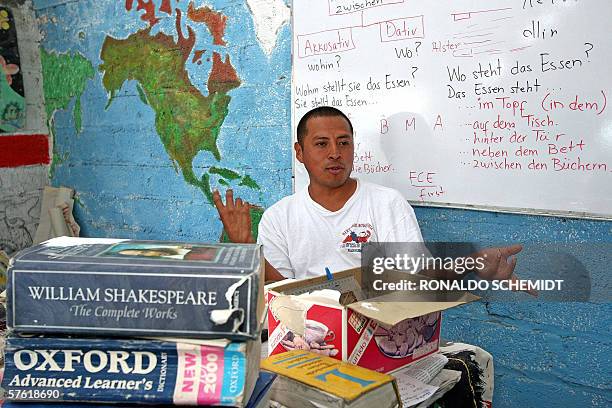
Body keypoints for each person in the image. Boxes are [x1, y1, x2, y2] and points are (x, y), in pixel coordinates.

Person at [213, 106, 531, 293]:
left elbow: (415, 278)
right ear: (300, 152)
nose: (335, 153)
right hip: (308, 336)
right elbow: (282, 295)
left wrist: (474, 266)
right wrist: (247, 249)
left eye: (343, 143)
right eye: (321, 144)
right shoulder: (279, 217)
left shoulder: (386, 203)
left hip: (380, 333)